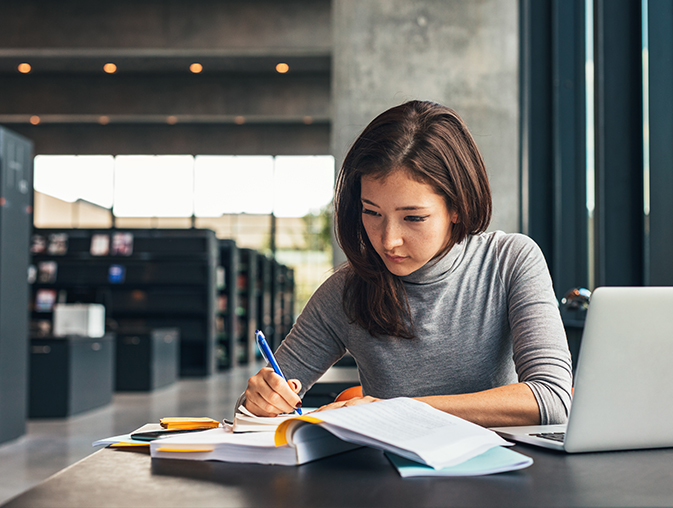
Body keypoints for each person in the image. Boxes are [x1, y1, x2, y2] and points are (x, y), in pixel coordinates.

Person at [238, 100, 573, 427]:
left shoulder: (509, 261)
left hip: (501, 474)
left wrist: (396, 410)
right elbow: (248, 414)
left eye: (413, 217)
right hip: (391, 479)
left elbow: (552, 398)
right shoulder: (346, 290)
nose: (388, 240)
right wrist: (260, 400)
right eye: (372, 213)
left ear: (456, 207)